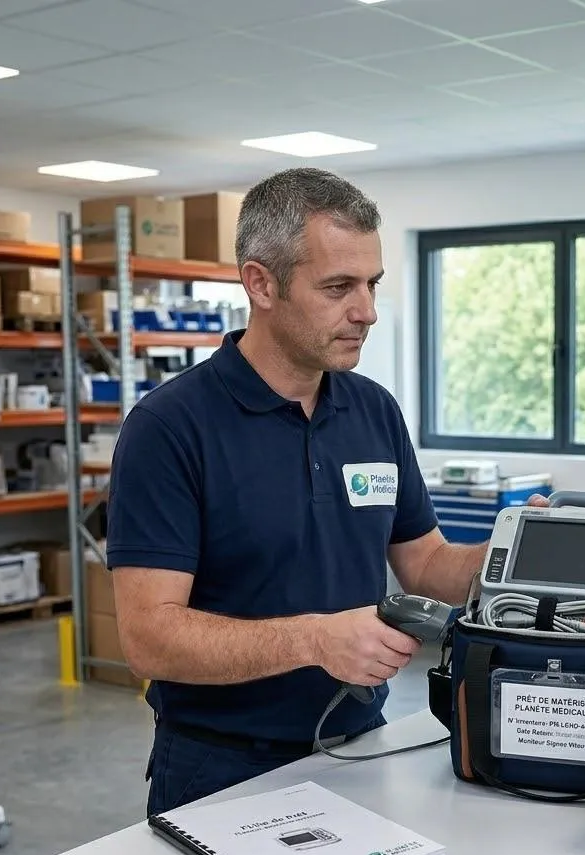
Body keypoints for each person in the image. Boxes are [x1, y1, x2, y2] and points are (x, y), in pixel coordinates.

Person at [108, 168, 490, 817]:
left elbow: (425, 563)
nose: (366, 310)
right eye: (338, 287)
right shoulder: (170, 428)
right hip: (218, 764)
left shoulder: (373, 411)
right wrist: (314, 640)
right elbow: (149, 638)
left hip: (360, 743)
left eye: (371, 284)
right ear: (261, 283)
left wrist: (517, 557)